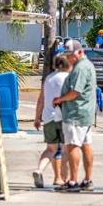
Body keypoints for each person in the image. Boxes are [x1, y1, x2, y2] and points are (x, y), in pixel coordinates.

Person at [53, 39, 97, 192]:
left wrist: (60, 99)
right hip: (85, 112)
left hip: (76, 113)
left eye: (71, 55)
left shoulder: (80, 68)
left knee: (73, 145)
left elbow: (75, 92)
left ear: (80, 52)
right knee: (85, 145)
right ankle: (88, 179)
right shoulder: (84, 65)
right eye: (67, 55)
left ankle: (73, 181)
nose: (69, 58)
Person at [33, 54, 71, 189]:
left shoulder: (48, 79)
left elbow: (41, 100)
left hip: (48, 117)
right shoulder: (69, 78)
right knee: (66, 150)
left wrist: (37, 117)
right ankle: (64, 179)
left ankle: (39, 169)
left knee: (50, 149)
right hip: (64, 117)